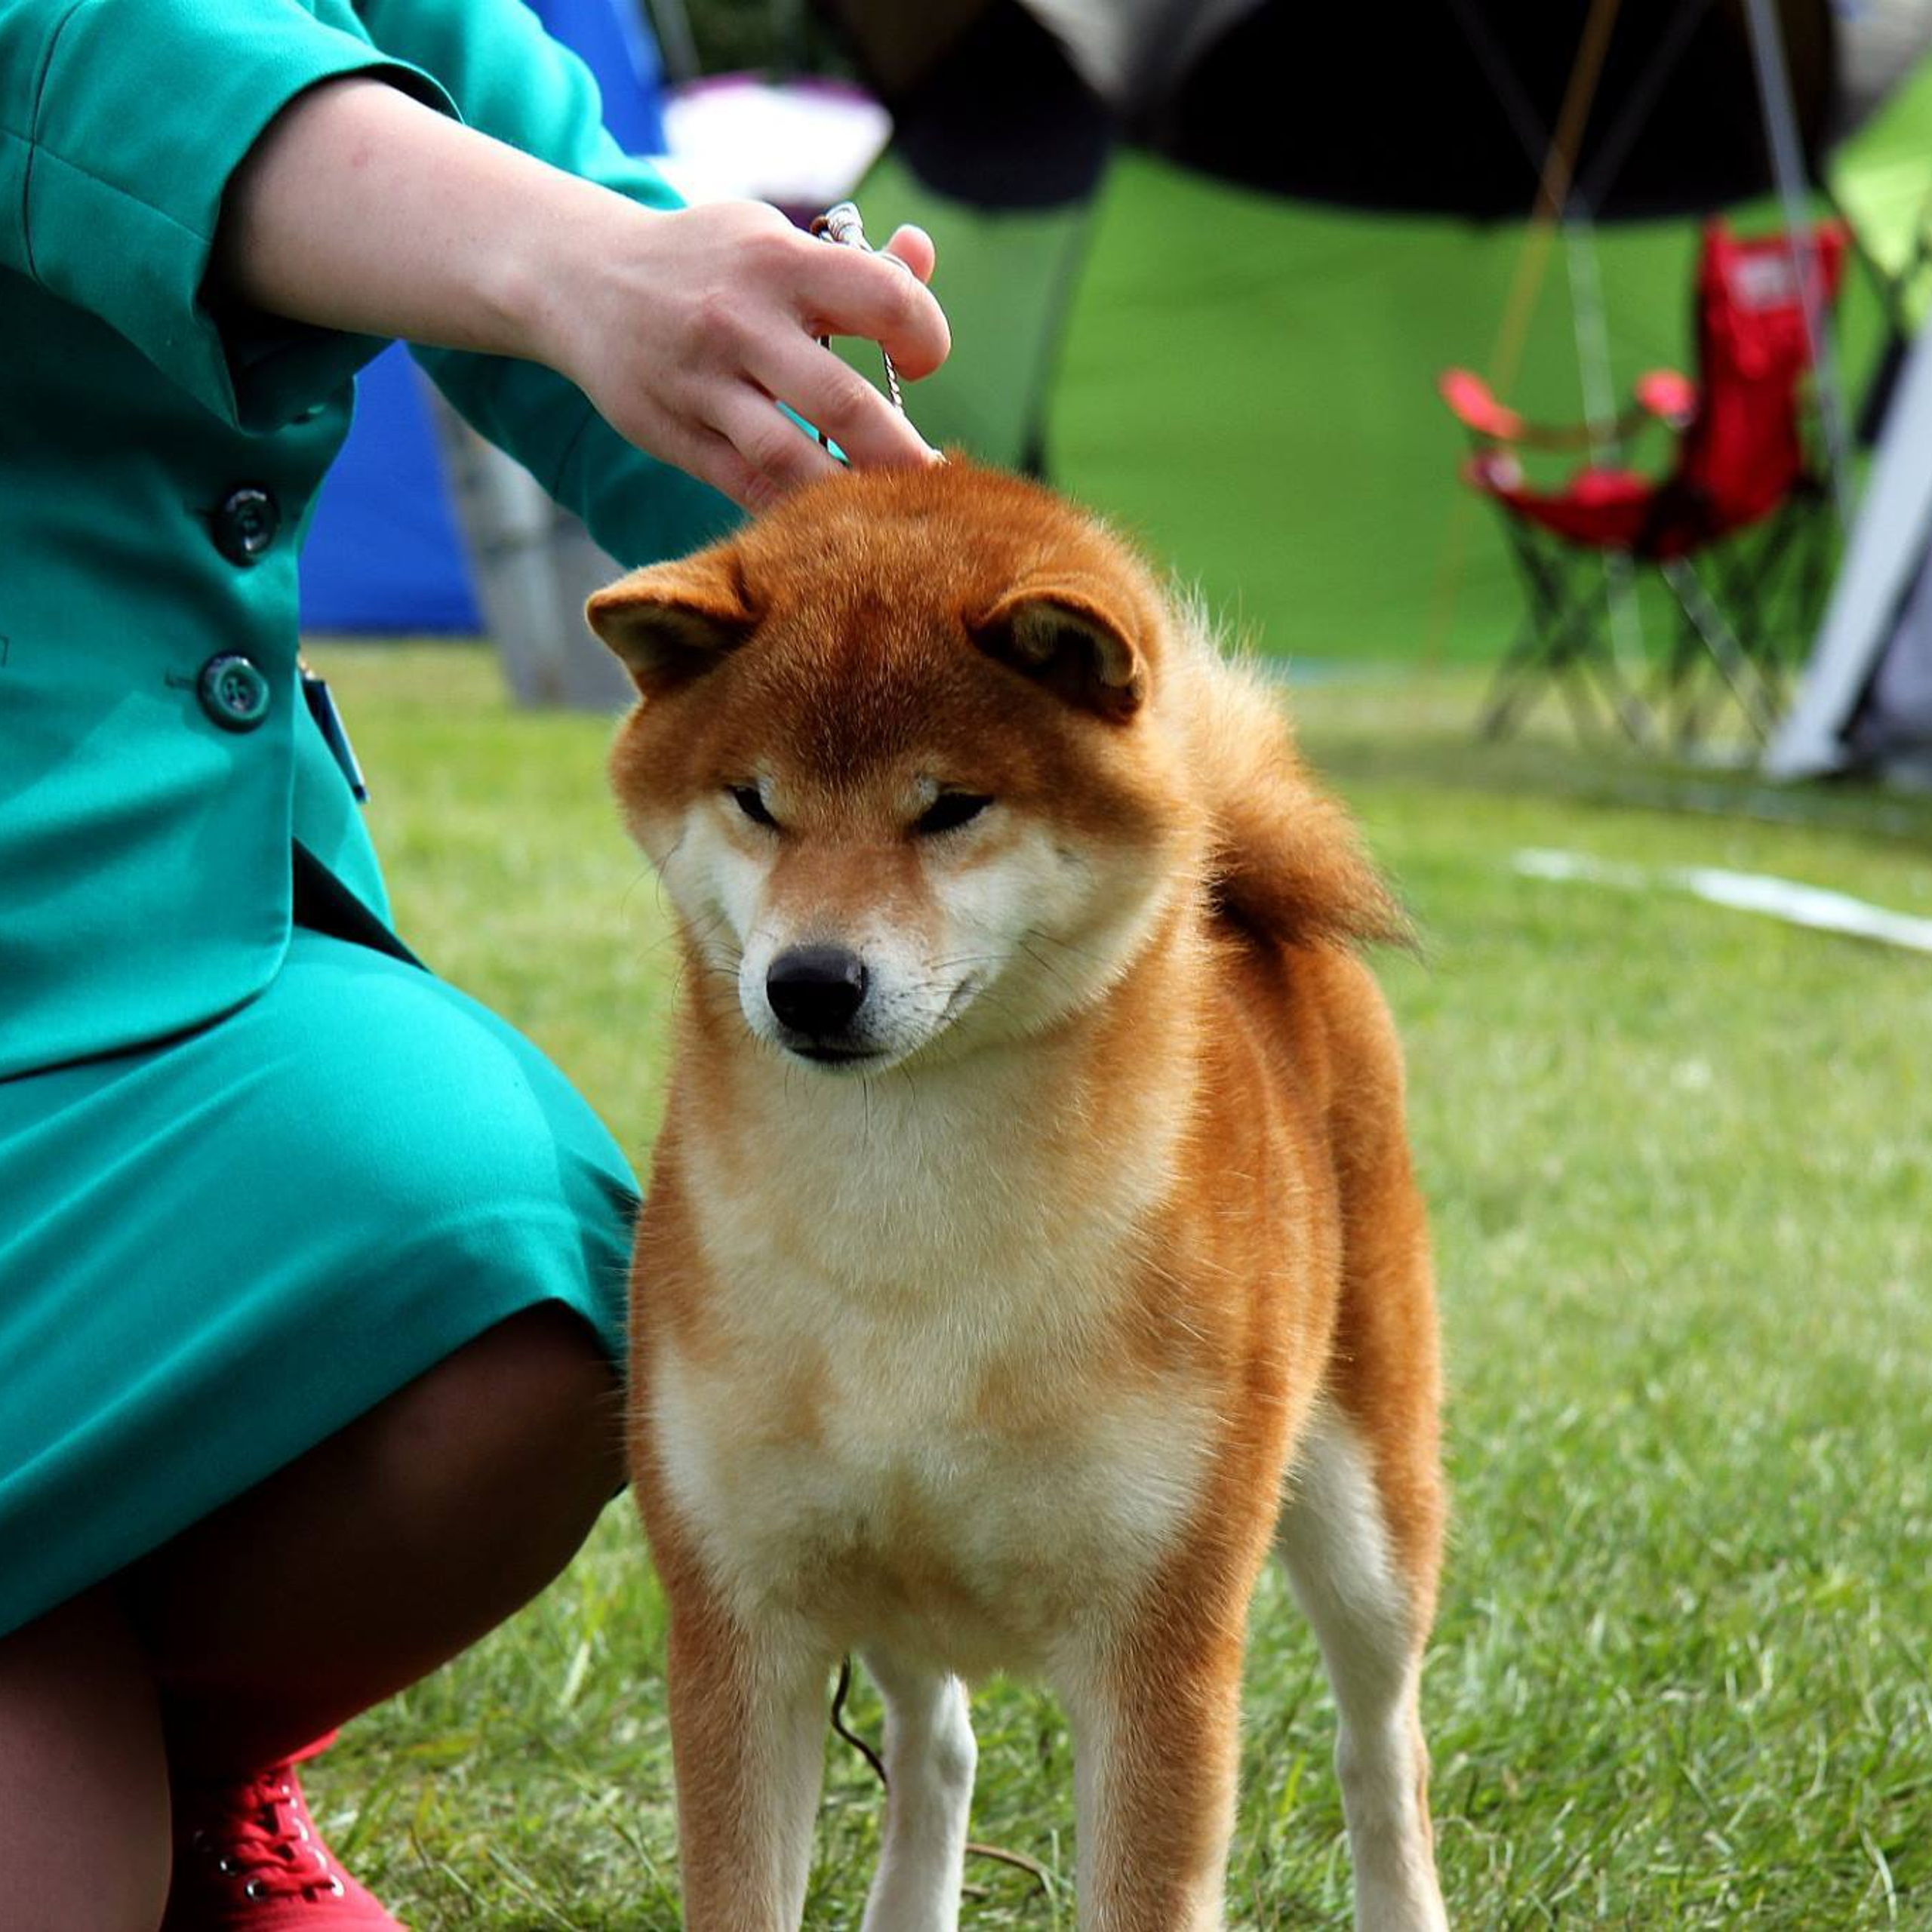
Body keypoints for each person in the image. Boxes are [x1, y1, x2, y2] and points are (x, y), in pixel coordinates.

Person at [0, 1, 949, 1925]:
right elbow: (96, 54)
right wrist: (585, 268)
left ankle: (187, 1747)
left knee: (526, 1277)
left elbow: (576, 209)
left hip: (148, 933)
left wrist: (947, 623)